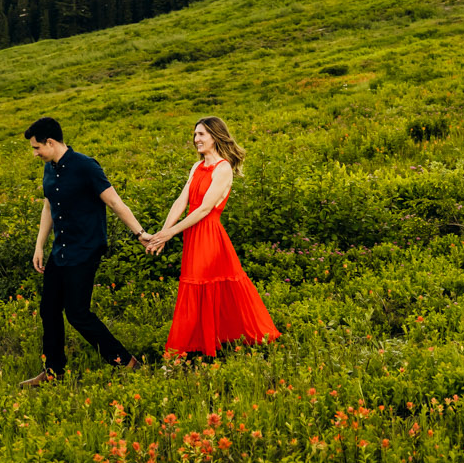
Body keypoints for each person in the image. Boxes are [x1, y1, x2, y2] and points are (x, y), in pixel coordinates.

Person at [22, 116, 152, 385]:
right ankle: (53, 371)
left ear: (50, 142)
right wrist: (39, 246)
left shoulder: (85, 166)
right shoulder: (50, 168)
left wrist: (139, 233)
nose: (35, 154)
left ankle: (126, 362)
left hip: (86, 249)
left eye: (36, 148)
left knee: (78, 313)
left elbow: (115, 202)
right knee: (49, 309)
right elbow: (48, 206)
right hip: (61, 250)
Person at [143, 116, 280, 357]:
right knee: (197, 288)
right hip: (193, 235)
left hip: (211, 237)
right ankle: (204, 343)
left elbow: (205, 208)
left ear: (215, 137)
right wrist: (163, 234)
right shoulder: (196, 167)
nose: (196, 139)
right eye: (195, 134)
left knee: (202, 289)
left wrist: (172, 232)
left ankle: (177, 354)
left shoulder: (223, 168)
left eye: (201, 135)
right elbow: (181, 201)